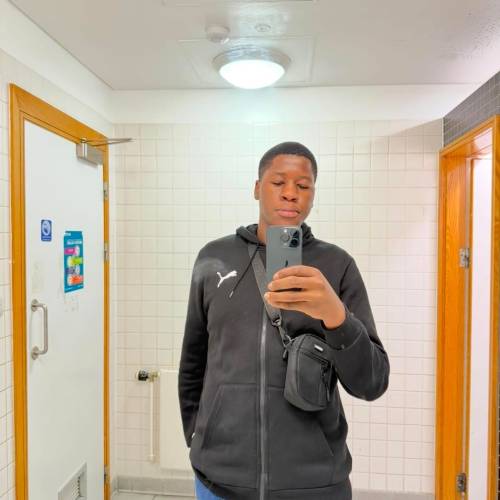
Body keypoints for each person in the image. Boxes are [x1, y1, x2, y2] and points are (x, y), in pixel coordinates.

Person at [178, 142, 390, 500]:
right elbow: (193, 360)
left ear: (312, 195)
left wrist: (336, 316)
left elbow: (372, 382)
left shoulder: (337, 265)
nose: (291, 193)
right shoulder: (213, 258)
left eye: (303, 185)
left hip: (315, 484)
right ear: (257, 188)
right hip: (219, 479)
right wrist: (197, 438)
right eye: (278, 182)